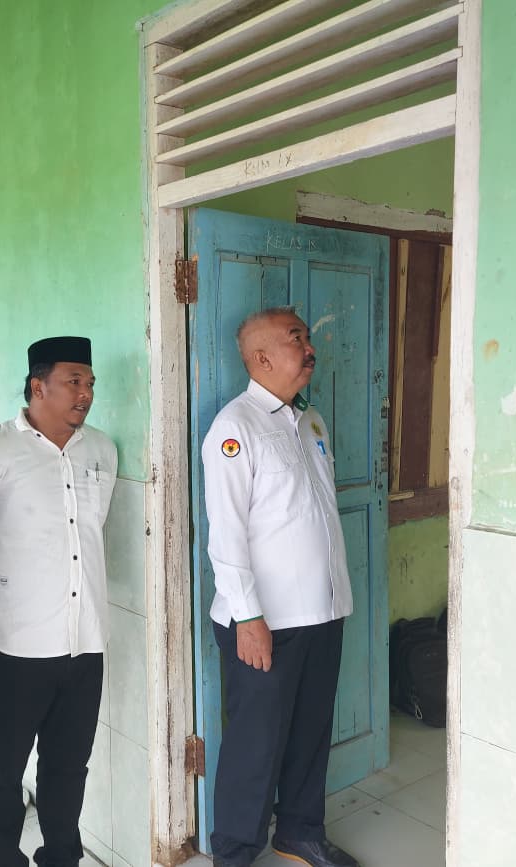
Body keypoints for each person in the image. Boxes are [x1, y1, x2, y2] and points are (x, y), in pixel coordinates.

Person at [0, 336, 117, 867]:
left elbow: (91, 530)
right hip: (12, 647)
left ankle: (62, 857)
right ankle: (2, 859)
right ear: (37, 386)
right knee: (4, 765)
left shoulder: (101, 450)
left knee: (68, 766)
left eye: (90, 383)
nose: (85, 393)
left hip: (83, 641)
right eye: (74, 381)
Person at [201, 307, 360, 867]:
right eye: (297, 338)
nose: (309, 347)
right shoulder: (235, 428)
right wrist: (248, 617)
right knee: (255, 745)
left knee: (310, 733)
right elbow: (226, 533)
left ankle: (299, 832)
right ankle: (234, 853)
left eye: (307, 337)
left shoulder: (310, 421)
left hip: (322, 610)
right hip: (265, 620)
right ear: (262, 357)